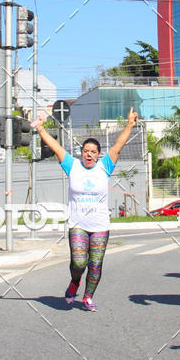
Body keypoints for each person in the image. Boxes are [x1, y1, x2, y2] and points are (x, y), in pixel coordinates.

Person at [31, 108, 139, 312]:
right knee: (80, 263)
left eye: (93, 152)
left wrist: (130, 125)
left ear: (98, 155)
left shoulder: (105, 166)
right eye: (85, 151)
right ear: (81, 153)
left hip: (100, 226)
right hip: (78, 225)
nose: (88, 154)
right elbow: (55, 147)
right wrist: (40, 128)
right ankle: (74, 283)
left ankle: (88, 297)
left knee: (96, 264)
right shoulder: (72, 165)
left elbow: (118, 145)